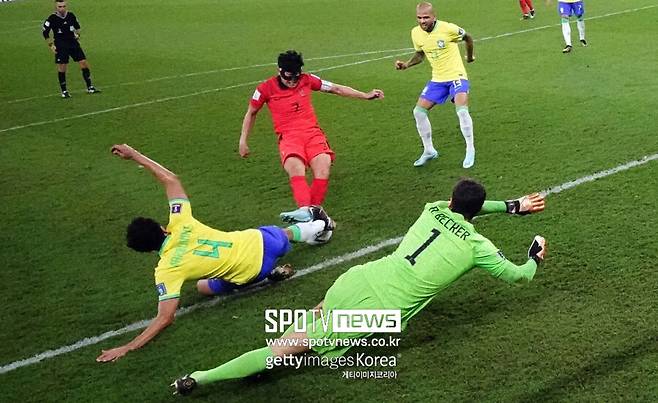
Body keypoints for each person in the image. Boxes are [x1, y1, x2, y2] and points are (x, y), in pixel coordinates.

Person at [171, 179, 547, 395]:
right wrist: (535, 257)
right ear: (475, 210)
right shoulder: (479, 247)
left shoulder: (433, 208)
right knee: (288, 348)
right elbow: (519, 275)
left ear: (450, 201)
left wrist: (509, 206)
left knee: (315, 317)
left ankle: (264, 362)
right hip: (379, 307)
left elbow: (470, 207)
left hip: (359, 278)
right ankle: (199, 378)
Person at [96, 144, 333, 363]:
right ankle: (317, 226)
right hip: (262, 241)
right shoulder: (180, 220)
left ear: (146, 250)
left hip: (253, 271)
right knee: (278, 233)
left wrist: (127, 347)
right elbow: (170, 179)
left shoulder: (166, 270)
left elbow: (165, 318)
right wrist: (134, 154)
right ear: (162, 228)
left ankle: (273, 272)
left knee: (202, 287)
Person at [239, 50, 384, 224]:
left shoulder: (307, 79)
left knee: (323, 167)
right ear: (279, 71)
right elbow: (251, 112)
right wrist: (243, 140)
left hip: (313, 134)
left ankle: (309, 214)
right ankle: (310, 214)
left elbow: (336, 88)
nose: (293, 82)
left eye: (296, 77)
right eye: (289, 77)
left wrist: (365, 95)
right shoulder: (264, 89)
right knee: (295, 168)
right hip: (289, 138)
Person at [395, 2, 476, 168]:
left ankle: (470, 149)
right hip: (438, 79)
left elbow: (468, 37)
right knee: (418, 112)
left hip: (457, 76)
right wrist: (406, 65)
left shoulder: (448, 28)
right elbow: (420, 54)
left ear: (434, 17)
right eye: (419, 18)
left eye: (426, 17)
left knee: (461, 111)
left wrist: (469, 57)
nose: (422, 21)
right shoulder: (416, 33)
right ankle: (429, 150)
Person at [42, 0, 100, 98]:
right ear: (56, 7)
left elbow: (77, 27)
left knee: (83, 62)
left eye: (64, 6)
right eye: (60, 7)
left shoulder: (71, 15)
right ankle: (64, 91)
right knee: (62, 66)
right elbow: (45, 33)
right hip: (60, 44)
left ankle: (90, 87)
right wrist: (51, 45)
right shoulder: (52, 18)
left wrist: (78, 35)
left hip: (73, 43)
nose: (62, 9)